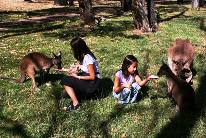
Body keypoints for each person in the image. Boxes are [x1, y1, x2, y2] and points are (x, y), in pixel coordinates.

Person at [58, 37, 101, 112]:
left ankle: (76, 104)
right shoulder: (83, 56)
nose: (71, 50)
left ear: (77, 48)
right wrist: (65, 69)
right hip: (90, 80)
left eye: (72, 48)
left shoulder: (88, 58)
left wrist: (78, 77)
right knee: (68, 82)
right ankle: (85, 94)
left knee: (65, 80)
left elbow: (92, 77)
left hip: (93, 83)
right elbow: (79, 68)